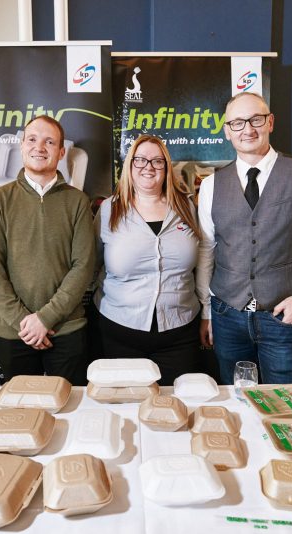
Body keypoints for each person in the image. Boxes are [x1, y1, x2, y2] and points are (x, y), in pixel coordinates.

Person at [197, 92, 292, 385]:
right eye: (238, 122)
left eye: (256, 119)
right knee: (234, 399)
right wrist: (207, 310)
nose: (248, 129)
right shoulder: (211, 185)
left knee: (286, 403)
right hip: (226, 315)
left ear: (270, 122)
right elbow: (207, 250)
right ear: (227, 131)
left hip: (283, 316)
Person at [0, 115, 95, 385]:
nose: (39, 147)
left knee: (71, 409)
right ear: (21, 146)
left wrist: (45, 318)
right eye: (32, 139)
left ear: (61, 151)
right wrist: (26, 323)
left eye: (49, 141)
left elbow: (83, 266)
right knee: (22, 413)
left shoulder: (77, 201)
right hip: (14, 331)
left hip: (66, 329)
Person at [94, 134, 205, 385]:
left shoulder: (188, 207)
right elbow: (91, 264)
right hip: (120, 332)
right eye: (140, 160)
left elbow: (204, 262)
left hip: (179, 333)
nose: (149, 167)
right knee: (127, 407)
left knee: (177, 408)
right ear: (130, 166)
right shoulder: (109, 210)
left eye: (157, 161)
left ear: (166, 168)